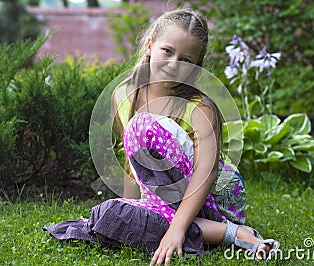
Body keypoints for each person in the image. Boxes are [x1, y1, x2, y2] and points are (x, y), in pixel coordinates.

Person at [44, 9, 279, 264]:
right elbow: (133, 161)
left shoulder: (200, 108)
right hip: (166, 202)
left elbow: (206, 172)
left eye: (186, 60)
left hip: (214, 200)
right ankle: (216, 233)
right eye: (167, 51)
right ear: (149, 45)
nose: (173, 64)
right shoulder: (123, 95)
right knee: (110, 214)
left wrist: (177, 230)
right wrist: (131, 207)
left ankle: (229, 230)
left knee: (143, 126)